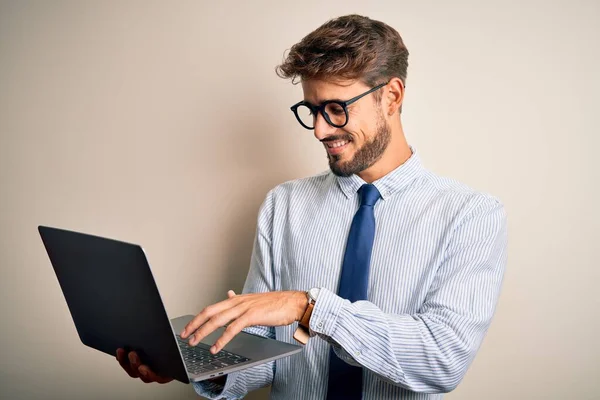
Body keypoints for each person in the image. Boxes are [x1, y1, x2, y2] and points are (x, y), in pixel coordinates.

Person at [117, 14, 508, 399]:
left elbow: (442, 360)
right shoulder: (284, 204)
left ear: (391, 96)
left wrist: (309, 308)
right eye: (312, 110)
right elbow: (267, 355)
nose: (320, 130)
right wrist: (201, 369)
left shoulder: (470, 216)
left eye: (336, 108)